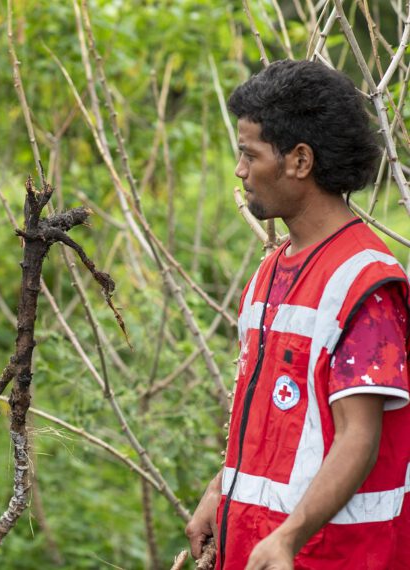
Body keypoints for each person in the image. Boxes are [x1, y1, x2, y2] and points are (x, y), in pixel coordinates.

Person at [185, 60, 410, 569]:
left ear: (300, 161)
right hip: (260, 548)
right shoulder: (271, 272)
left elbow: (360, 436)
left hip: (328, 556)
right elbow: (272, 425)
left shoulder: (364, 283)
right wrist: (222, 488)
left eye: (249, 154)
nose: (240, 171)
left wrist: (288, 537)